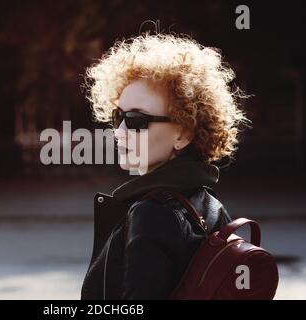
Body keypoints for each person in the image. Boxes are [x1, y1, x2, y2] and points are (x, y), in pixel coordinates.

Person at [80, 33, 251, 299]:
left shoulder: (152, 213)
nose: (119, 132)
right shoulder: (209, 203)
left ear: (183, 134)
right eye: (118, 116)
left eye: (136, 120)